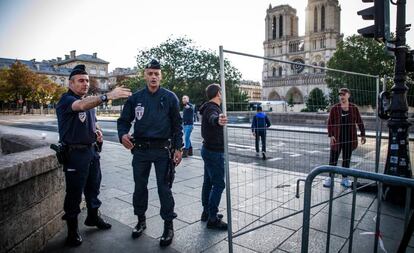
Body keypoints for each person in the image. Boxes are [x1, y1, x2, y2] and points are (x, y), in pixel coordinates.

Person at [56, 64, 131, 246]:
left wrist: (97, 131)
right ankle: (72, 231)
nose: (85, 84)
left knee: (94, 188)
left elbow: (92, 119)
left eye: (87, 80)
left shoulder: (89, 101)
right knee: (74, 194)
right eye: (81, 80)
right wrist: (107, 96)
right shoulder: (67, 100)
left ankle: (93, 217)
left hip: (91, 151)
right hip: (74, 154)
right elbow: (80, 106)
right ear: (71, 83)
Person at [117, 59, 183, 247]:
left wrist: (179, 148)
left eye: (157, 74)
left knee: (164, 189)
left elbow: (177, 125)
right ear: (144, 75)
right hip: (140, 150)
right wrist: (122, 135)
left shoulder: (170, 97)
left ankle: (168, 226)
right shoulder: (135, 98)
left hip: (163, 151)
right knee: (140, 187)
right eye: (150, 73)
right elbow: (123, 121)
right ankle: (140, 220)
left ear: (161, 76)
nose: (153, 77)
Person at [199, 83, 228, 230]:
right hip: (214, 152)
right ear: (218, 93)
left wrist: (216, 120)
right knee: (219, 184)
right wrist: (218, 120)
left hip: (208, 149)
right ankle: (212, 217)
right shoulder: (212, 108)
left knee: (208, 182)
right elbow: (213, 117)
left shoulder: (208, 107)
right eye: (221, 92)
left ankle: (207, 211)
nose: (222, 95)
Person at [324, 88, 366, 188]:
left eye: (343, 94)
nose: (341, 96)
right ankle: (330, 178)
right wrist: (331, 135)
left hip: (349, 139)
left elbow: (359, 122)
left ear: (348, 95)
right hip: (337, 139)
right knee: (333, 159)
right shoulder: (335, 108)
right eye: (340, 95)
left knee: (346, 159)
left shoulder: (354, 108)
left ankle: (344, 179)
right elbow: (330, 123)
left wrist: (363, 134)